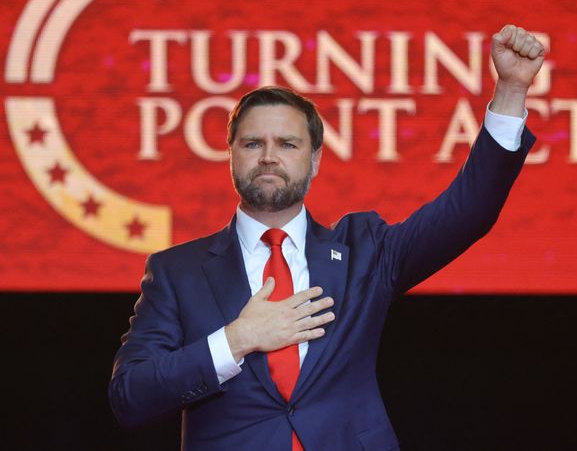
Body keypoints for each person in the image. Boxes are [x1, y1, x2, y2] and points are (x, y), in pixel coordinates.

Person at [109, 24, 545, 450]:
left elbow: (466, 212)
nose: (269, 157)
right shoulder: (176, 271)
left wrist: (509, 92)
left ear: (315, 160)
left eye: (288, 144)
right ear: (230, 155)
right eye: (252, 144)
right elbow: (130, 397)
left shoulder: (364, 251)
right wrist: (236, 339)